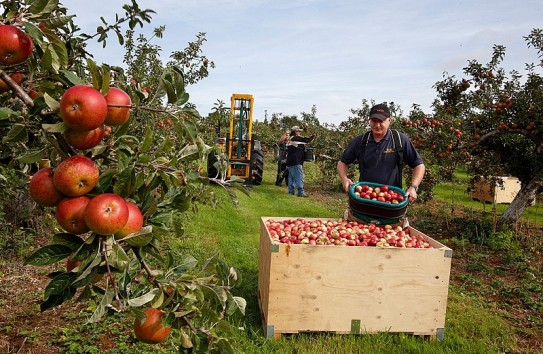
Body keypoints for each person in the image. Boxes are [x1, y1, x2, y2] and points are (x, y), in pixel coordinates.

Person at [337, 103, 425, 202]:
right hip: (365, 198)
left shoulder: (399, 140)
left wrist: (413, 186)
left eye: (381, 121)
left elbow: (419, 165)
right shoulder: (361, 141)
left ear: (389, 121)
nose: (377, 125)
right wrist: (344, 179)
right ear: (369, 121)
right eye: (374, 121)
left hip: (391, 199)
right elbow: (342, 162)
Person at [286, 126, 315, 197]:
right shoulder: (295, 138)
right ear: (295, 132)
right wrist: (314, 135)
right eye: (298, 131)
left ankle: (291, 191)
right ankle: (301, 192)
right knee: (299, 176)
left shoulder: (290, 138)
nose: (299, 132)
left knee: (291, 177)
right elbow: (307, 140)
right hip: (296, 160)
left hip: (291, 160)